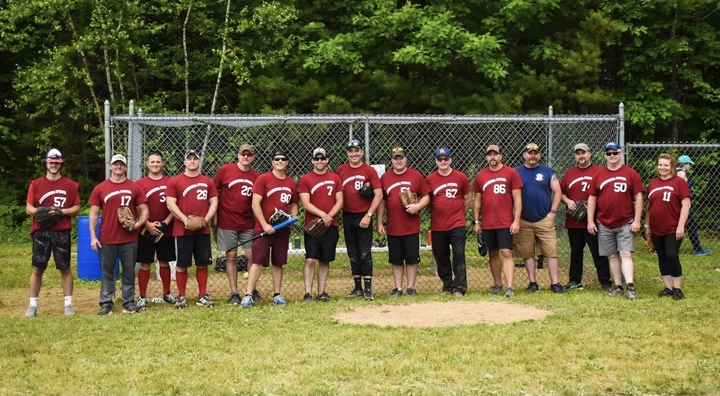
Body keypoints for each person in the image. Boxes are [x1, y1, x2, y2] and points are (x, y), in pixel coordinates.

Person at [24, 148, 81, 317]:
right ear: (46, 163)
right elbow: (28, 208)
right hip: (41, 231)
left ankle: (68, 305)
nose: (54, 165)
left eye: (57, 162)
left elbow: (77, 207)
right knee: (37, 268)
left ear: (61, 164)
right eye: (51, 162)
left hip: (61, 230)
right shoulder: (36, 184)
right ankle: (32, 305)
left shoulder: (70, 185)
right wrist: (42, 212)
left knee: (65, 268)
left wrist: (61, 212)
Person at [89, 154, 149, 315]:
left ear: (125, 167)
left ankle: (128, 302)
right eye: (115, 164)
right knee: (107, 271)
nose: (118, 167)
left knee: (129, 271)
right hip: (107, 237)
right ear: (110, 166)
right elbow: (94, 214)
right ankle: (106, 303)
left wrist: (137, 224)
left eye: (121, 164)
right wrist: (93, 236)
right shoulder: (101, 188)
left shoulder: (134, 187)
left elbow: (145, 211)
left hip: (128, 238)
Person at [241, 150, 299, 308]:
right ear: (272, 162)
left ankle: (277, 294)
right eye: (277, 159)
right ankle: (248, 295)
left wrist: (292, 218)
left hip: (282, 230)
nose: (280, 161)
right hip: (263, 229)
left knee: (278, 262)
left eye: (283, 159)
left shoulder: (291, 182)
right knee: (257, 261)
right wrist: (265, 225)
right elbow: (255, 203)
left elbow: (294, 204)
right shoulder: (263, 179)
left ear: (287, 163)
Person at [587, 142, 644, 300]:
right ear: (605, 155)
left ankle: (630, 287)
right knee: (612, 256)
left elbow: (638, 197)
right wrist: (590, 221)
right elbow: (592, 198)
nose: (612, 156)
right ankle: (618, 285)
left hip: (625, 220)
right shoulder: (599, 174)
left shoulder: (630, 173)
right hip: (604, 222)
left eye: (615, 153)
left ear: (621, 154)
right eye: (609, 153)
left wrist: (637, 220)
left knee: (625, 253)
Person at [166, 149, 219, 308]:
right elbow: (170, 203)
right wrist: (185, 219)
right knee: (182, 264)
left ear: (199, 162)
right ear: (185, 162)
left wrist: (205, 220)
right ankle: (182, 296)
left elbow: (214, 202)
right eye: (189, 159)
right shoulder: (175, 181)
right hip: (182, 230)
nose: (192, 161)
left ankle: (202, 295)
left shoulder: (208, 181)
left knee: (202, 263)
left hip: (202, 230)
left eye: (195, 159)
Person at [377, 147, 431, 297]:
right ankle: (398, 288)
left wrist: (418, 206)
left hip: (411, 226)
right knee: (396, 259)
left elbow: (426, 196)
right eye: (396, 158)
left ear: (406, 159)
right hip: (394, 226)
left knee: (412, 258)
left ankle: (411, 287)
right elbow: (381, 201)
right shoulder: (385, 178)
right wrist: (380, 222)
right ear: (392, 161)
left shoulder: (415, 176)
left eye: (401, 158)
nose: (399, 161)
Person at [560, 143, 612, 293]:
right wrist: (568, 201)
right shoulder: (569, 173)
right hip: (574, 222)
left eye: (583, 153)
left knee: (598, 252)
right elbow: (561, 193)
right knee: (576, 252)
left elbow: (605, 192)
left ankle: (605, 281)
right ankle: (575, 280)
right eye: (578, 153)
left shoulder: (599, 171)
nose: (581, 156)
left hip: (593, 221)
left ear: (590, 154)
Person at [213, 143, 261, 305]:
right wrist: (214, 216)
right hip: (227, 221)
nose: (245, 157)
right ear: (238, 155)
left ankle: (251, 289)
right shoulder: (225, 170)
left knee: (252, 256)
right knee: (231, 256)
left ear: (253, 157)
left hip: (247, 222)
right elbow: (213, 192)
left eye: (249, 154)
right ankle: (234, 292)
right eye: (243, 154)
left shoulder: (256, 176)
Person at [515, 143, 566, 294]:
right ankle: (532, 282)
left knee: (551, 252)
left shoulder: (547, 171)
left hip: (545, 219)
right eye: (530, 153)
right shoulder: (516, 172)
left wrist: (553, 213)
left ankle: (555, 283)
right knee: (527, 253)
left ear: (539, 155)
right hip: (524, 220)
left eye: (535, 153)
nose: (532, 156)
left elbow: (557, 192)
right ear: (524, 155)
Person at [473, 145, 523, 298]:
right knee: (492, 252)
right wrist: (476, 221)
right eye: (490, 155)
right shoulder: (481, 175)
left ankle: (510, 287)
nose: (492, 157)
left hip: (505, 221)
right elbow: (477, 201)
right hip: (488, 222)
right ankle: (497, 284)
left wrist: (516, 221)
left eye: (495, 154)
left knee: (506, 252)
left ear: (501, 156)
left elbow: (518, 200)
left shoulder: (511, 173)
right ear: (486, 157)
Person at [336, 139, 383, 301]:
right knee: (353, 254)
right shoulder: (341, 170)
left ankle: (368, 289)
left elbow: (379, 194)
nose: (354, 154)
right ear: (347, 153)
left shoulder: (369, 171)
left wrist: (369, 215)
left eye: (357, 150)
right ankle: (357, 287)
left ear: (362, 152)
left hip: (364, 216)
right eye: (351, 151)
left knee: (364, 253)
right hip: (348, 216)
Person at [299, 148, 344, 302]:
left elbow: (340, 201)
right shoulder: (306, 179)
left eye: (322, 158)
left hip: (330, 225)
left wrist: (329, 216)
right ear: (312, 161)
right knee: (310, 259)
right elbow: (305, 203)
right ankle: (307, 293)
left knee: (325, 260)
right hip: (313, 225)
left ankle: (322, 292)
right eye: (316, 159)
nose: (319, 161)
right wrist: (322, 215)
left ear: (327, 160)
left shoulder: (335, 178)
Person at [425, 147, 471, 297]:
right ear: (436, 161)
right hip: (438, 224)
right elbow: (429, 201)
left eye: (446, 159)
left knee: (458, 254)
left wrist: (459, 214)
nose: (443, 161)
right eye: (440, 159)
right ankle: (447, 284)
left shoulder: (460, 177)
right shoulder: (430, 179)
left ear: (451, 160)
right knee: (441, 255)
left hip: (457, 223)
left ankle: (459, 287)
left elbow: (468, 198)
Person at [135, 150, 177, 309]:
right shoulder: (140, 184)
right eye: (152, 162)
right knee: (145, 263)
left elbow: (174, 206)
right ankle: (142, 296)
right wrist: (147, 224)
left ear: (162, 164)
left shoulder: (170, 182)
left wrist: (165, 223)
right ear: (147, 164)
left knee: (164, 262)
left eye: (158, 162)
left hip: (165, 229)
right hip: (146, 229)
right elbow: (137, 208)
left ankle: (167, 293)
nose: (155, 164)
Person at [646, 154, 691, 301]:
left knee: (671, 255)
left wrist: (680, 226)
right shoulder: (653, 183)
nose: (662, 168)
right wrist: (647, 225)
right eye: (660, 165)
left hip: (673, 227)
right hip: (656, 227)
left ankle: (677, 288)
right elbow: (649, 206)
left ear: (672, 166)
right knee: (662, 257)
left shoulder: (679, 182)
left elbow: (686, 205)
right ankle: (668, 287)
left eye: (666, 165)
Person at [676, 155, 711, 256]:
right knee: (691, 227)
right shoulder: (681, 173)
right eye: (689, 164)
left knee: (687, 226)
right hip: (683, 205)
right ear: (684, 164)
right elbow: (681, 189)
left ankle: (697, 248)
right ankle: (698, 249)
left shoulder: (674, 171)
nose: (690, 166)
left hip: (680, 204)